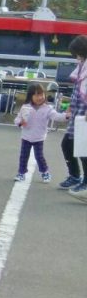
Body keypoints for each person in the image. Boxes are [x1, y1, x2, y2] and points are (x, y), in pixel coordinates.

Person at [13, 83, 66, 183]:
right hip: (26, 137)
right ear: (30, 96)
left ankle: (45, 172)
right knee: (23, 156)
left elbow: (56, 116)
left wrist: (65, 116)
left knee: (39, 156)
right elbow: (17, 119)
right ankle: (21, 173)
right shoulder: (25, 107)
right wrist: (20, 123)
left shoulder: (47, 108)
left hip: (39, 138)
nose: (40, 97)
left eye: (42, 94)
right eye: (36, 95)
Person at [59, 35, 87, 203]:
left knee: (83, 149)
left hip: (84, 111)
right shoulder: (82, 65)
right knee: (69, 143)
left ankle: (84, 182)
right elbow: (77, 89)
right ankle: (76, 176)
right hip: (78, 110)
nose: (76, 57)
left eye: (77, 53)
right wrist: (70, 105)